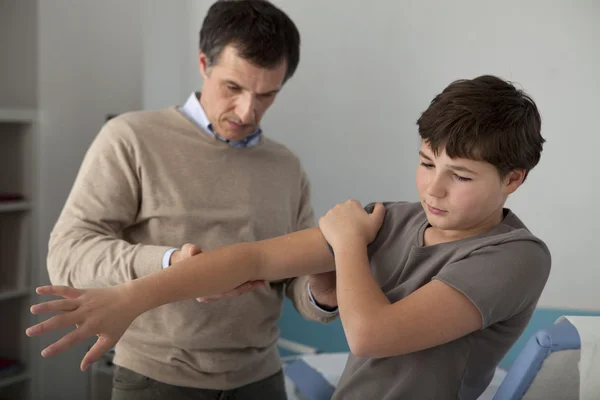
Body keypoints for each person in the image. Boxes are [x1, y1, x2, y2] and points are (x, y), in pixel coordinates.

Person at [29, 75, 551, 399]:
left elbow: (373, 335)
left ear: (512, 179)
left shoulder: (515, 257)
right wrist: (131, 298)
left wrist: (347, 244)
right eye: (425, 162)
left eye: (460, 176)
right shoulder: (393, 219)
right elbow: (254, 257)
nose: (433, 188)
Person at [43, 1, 340, 399]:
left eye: (267, 94)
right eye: (233, 88)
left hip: (261, 379)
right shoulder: (130, 138)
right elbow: (67, 254)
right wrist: (169, 265)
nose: (248, 111)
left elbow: (294, 280)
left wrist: (321, 293)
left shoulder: (286, 167)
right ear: (204, 63)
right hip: (155, 380)